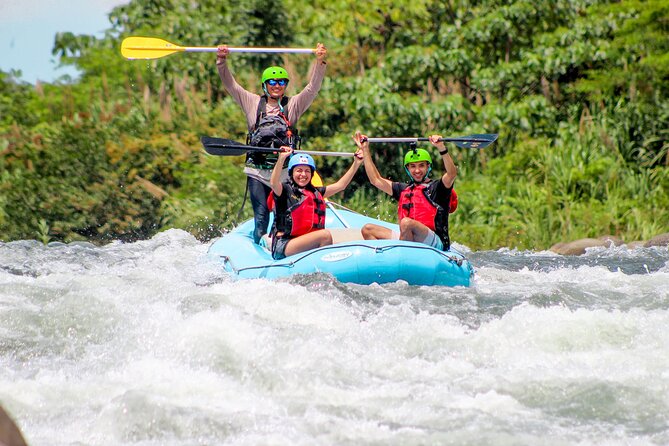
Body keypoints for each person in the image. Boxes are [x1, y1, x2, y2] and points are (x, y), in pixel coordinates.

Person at [216, 42, 328, 244]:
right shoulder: (251, 102)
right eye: (272, 82)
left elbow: (312, 89)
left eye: (281, 82)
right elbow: (230, 85)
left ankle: (282, 249)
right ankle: (259, 248)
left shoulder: (293, 105)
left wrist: (320, 62)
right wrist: (222, 61)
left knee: (283, 216)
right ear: (265, 85)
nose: (277, 85)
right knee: (261, 218)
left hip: (284, 171)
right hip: (257, 171)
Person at [353, 131, 457, 250]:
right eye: (413, 166)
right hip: (409, 237)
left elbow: (452, 173)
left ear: (428, 167)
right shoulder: (404, 189)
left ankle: (402, 256)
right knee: (368, 229)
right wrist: (365, 149)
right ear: (407, 169)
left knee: (406, 223)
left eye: (421, 165)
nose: (417, 170)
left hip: (434, 241)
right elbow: (375, 180)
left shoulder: (437, 188)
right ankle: (386, 261)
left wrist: (441, 147)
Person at [268, 147, 363, 259]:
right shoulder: (284, 190)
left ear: (312, 174)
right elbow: (273, 183)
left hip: (305, 243)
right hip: (284, 245)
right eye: (299, 170)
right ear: (291, 173)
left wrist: (356, 163)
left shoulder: (316, 192)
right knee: (325, 236)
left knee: (326, 238)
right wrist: (281, 159)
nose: (303, 174)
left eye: (307, 171)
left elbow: (340, 185)